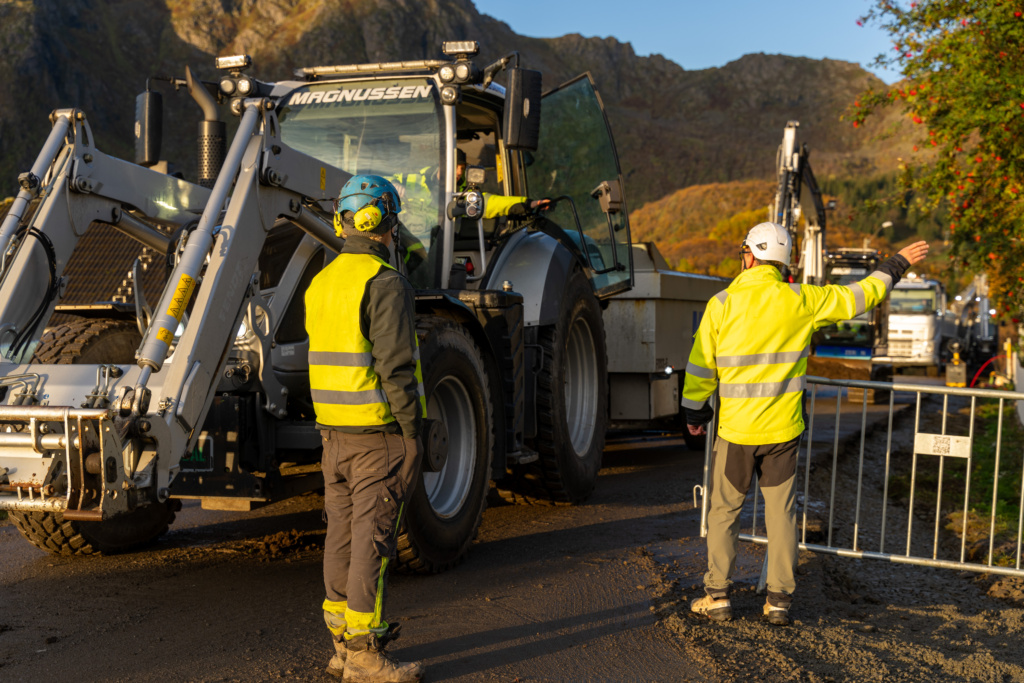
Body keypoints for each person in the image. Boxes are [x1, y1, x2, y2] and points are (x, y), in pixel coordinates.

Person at [683, 222, 929, 626]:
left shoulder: (722, 303)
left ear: (749, 255)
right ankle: (778, 602)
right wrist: (897, 263)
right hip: (783, 432)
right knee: (780, 515)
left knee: (725, 512)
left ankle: (719, 597)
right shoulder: (802, 299)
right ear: (783, 261)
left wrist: (694, 411)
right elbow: (861, 296)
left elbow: (699, 365)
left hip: (735, 433)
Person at [306, 175, 427, 682]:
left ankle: (340, 642)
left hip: (332, 435)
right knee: (372, 542)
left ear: (344, 220)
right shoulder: (385, 282)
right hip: (376, 437)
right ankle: (363, 653)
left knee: (340, 535)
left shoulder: (323, 281)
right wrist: (413, 431)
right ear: (382, 221)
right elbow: (396, 366)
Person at [455, 148, 552, 218]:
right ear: (443, 164)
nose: (459, 172)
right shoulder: (440, 194)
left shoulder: (468, 196)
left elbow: (494, 203)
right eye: (456, 167)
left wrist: (531, 203)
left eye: (462, 168)